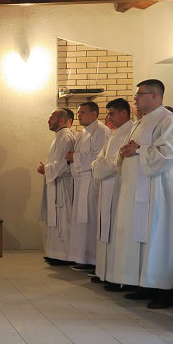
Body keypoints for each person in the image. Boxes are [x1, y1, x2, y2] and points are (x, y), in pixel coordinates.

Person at [111, 79, 173, 309]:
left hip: (158, 193)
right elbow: (133, 149)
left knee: (158, 237)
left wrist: (139, 150)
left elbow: (170, 154)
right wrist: (125, 152)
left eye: (140, 94)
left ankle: (164, 291)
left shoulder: (169, 120)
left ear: (155, 96)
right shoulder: (140, 122)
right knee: (140, 238)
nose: (135, 98)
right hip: (136, 191)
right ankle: (144, 284)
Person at [91, 98, 134, 290]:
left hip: (119, 187)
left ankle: (116, 276)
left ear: (124, 113)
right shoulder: (114, 133)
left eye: (112, 113)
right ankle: (104, 271)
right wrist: (101, 165)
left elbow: (119, 160)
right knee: (105, 230)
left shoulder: (131, 132)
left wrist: (103, 165)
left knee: (116, 232)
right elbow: (98, 159)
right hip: (106, 186)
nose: (108, 118)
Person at [66, 102, 110, 272]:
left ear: (94, 114)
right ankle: (82, 257)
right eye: (78, 113)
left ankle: (93, 259)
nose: (79, 115)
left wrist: (75, 157)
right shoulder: (83, 132)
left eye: (83, 112)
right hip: (81, 181)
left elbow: (99, 157)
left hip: (92, 181)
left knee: (91, 219)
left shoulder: (101, 131)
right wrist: (74, 158)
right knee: (81, 221)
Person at [38, 109, 77, 266]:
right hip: (55, 183)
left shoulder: (66, 137)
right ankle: (54, 253)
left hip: (63, 185)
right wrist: (47, 169)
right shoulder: (59, 137)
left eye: (51, 118)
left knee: (63, 219)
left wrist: (46, 169)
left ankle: (65, 255)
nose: (48, 121)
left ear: (61, 120)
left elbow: (62, 164)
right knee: (55, 219)